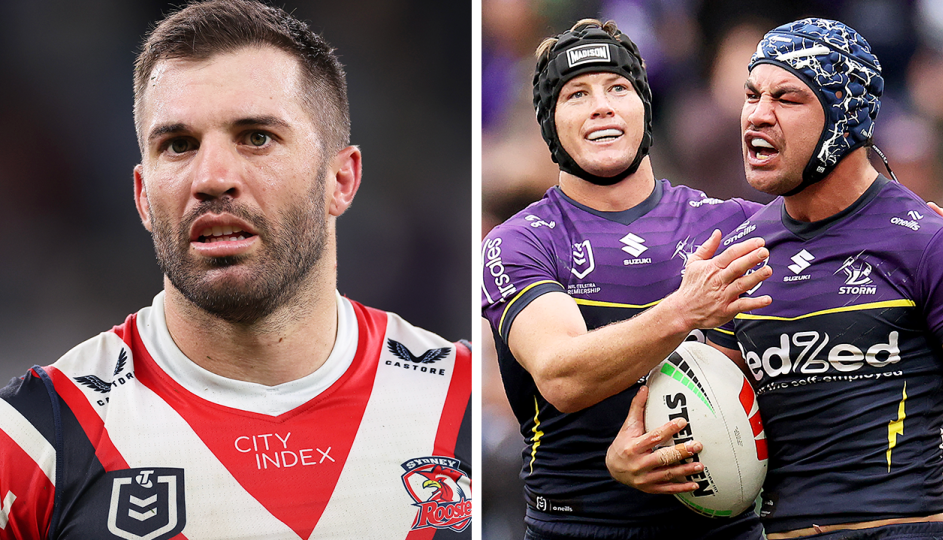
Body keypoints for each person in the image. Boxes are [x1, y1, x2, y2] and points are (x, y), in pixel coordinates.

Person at [0, 1, 471, 539]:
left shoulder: (461, 400)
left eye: (256, 137)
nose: (212, 177)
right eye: (178, 145)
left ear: (340, 180)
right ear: (143, 197)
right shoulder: (39, 435)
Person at [607, 17, 943, 540]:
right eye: (751, 95)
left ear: (845, 117)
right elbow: (709, 409)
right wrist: (634, 454)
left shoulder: (927, 241)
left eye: (787, 99)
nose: (756, 116)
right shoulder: (739, 252)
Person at [480, 18, 774, 540]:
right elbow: (561, 376)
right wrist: (685, 311)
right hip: (576, 528)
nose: (601, 104)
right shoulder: (521, 240)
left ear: (644, 108)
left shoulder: (729, 223)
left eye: (619, 87)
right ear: (550, 124)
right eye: (576, 94)